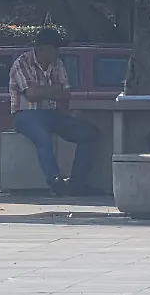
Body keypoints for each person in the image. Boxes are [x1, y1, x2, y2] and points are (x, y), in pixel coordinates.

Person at [9, 28, 101, 196]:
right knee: (43, 137)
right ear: (42, 49)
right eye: (55, 48)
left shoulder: (58, 63)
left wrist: (45, 91)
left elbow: (65, 93)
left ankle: (77, 182)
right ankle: (55, 180)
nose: (58, 52)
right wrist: (54, 89)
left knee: (89, 133)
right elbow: (31, 95)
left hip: (52, 113)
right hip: (25, 114)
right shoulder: (21, 63)